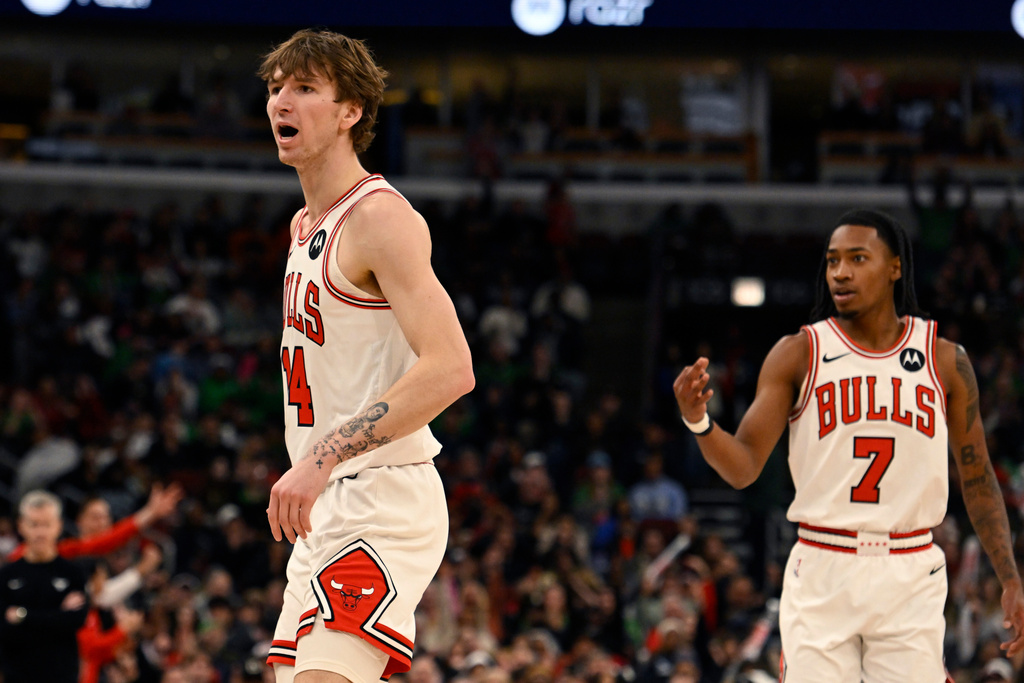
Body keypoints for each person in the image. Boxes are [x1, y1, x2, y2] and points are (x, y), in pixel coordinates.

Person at [672, 209, 1024, 681]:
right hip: (823, 563)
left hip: (910, 565)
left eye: (858, 258)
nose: (840, 272)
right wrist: (699, 422)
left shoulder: (944, 359)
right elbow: (744, 468)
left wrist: (1009, 576)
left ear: (895, 267)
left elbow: (979, 478)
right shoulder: (798, 352)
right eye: (833, 260)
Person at [257, 29, 475, 683]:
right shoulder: (303, 227)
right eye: (275, 88)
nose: (280, 102)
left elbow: (451, 367)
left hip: (381, 495)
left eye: (303, 88)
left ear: (351, 110)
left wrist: (322, 455)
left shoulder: (379, 218)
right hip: (327, 505)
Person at [0, 490, 90, 683]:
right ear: (21, 526)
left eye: (46, 525)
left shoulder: (73, 573)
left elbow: (76, 620)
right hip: (17, 675)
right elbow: (4, 627)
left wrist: (22, 615)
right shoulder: (6, 575)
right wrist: (57, 614)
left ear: (58, 526)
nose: (40, 532)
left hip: (61, 675)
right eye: (34, 524)